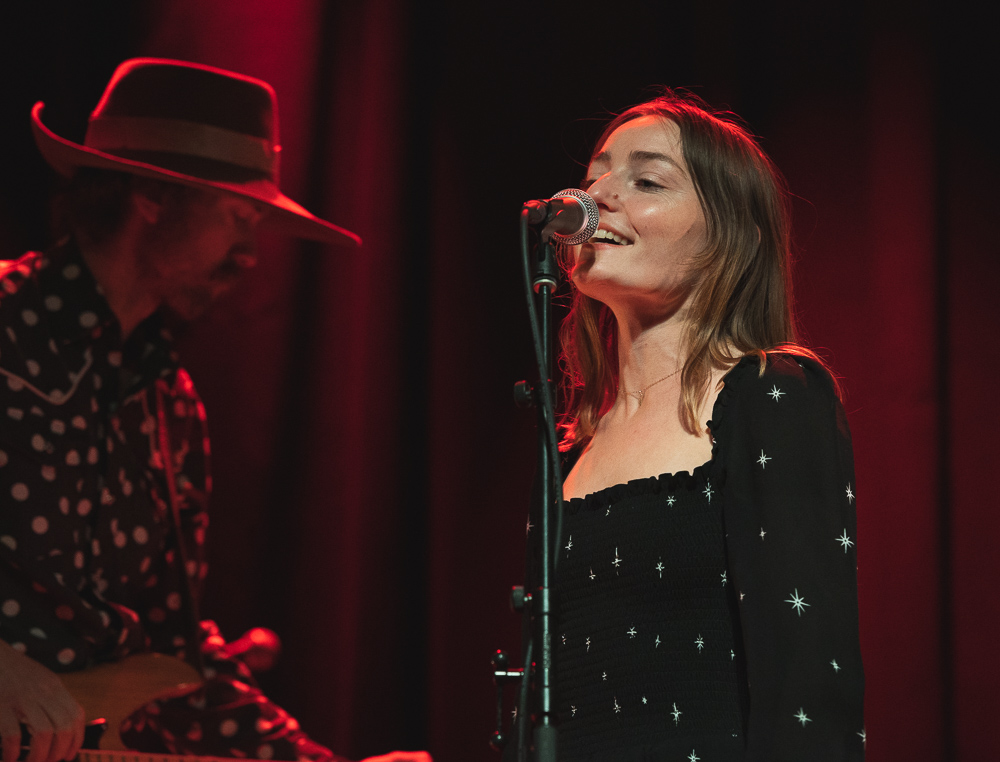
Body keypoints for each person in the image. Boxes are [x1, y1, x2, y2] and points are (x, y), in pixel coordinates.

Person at [0, 58, 427, 762]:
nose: (250, 254)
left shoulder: (172, 407)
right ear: (152, 197)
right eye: (239, 218)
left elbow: (175, 661)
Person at [548, 92, 864, 760]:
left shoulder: (772, 396)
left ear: (732, 233)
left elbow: (808, 693)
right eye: (594, 175)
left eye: (646, 180)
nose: (597, 196)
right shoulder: (568, 445)